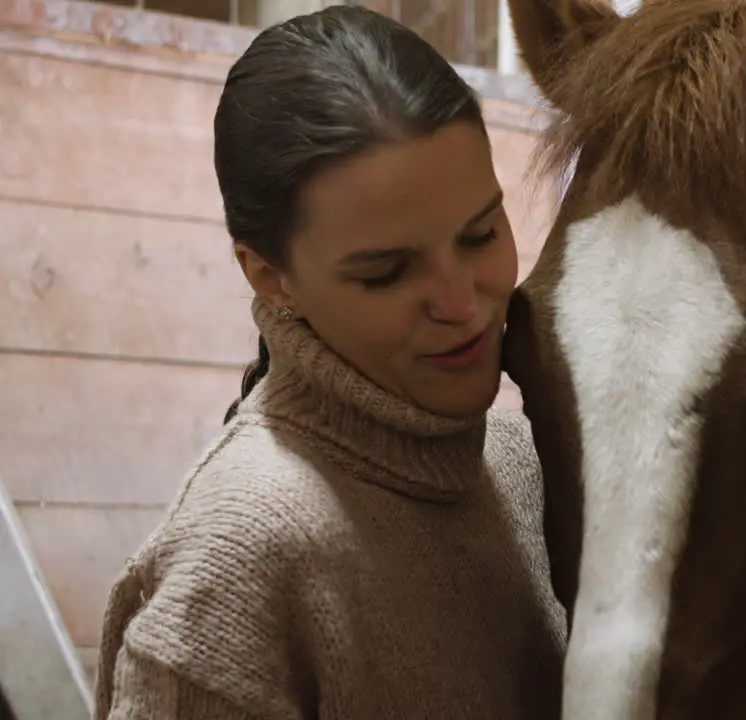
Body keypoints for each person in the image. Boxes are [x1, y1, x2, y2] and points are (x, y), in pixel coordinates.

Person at [92, 6, 565, 718]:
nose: (462, 301)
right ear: (270, 277)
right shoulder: (237, 566)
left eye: (481, 233)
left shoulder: (524, 465)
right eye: (385, 272)